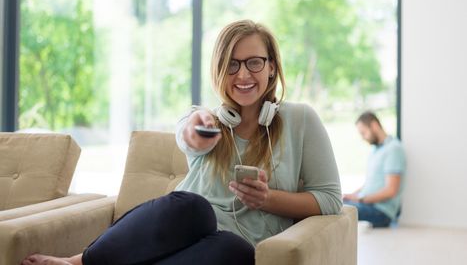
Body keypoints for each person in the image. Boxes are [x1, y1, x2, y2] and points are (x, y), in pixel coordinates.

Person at [22, 19, 342, 265]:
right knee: (192, 206)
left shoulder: (301, 119)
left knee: (234, 249)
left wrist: (267, 199)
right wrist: (196, 130)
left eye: (254, 62)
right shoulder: (208, 121)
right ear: (219, 69)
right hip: (178, 231)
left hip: (230, 248)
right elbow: (188, 135)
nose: (243, 74)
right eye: (232, 64)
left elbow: (329, 200)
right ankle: (81, 262)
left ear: (272, 67)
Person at [343, 111, 406, 228]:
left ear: (374, 125)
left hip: (382, 211)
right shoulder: (375, 151)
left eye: (363, 133)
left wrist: (360, 199)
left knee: (340, 208)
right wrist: (352, 195)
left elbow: (391, 190)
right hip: (368, 204)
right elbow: (369, 184)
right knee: (337, 203)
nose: (363, 138)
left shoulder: (394, 149)